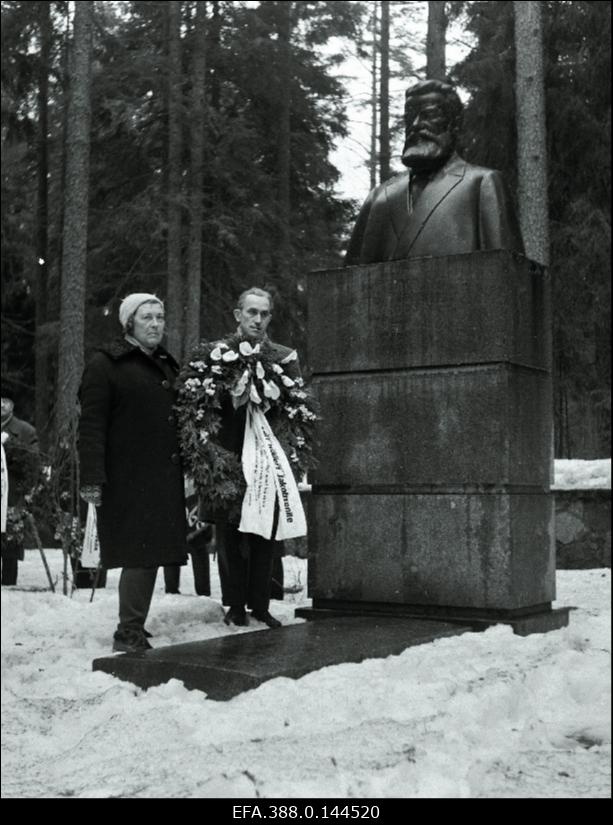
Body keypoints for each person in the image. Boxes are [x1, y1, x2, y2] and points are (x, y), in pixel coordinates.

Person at [78, 293, 187, 653]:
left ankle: (134, 624)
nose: (156, 324)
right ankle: (127, 633)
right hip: (126, 478)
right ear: (129, 324)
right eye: (147, 318)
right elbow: (91, 425)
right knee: (138, 554)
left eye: (160, 317)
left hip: (160, 478)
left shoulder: (166, 364)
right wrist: (92, 478)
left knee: (150, 552)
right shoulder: (105, 364)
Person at [345, 78, 524, 266]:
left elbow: (507, 271)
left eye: (428, 115)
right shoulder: (379, 198)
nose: (415, 124)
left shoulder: (482, 184)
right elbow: (350, 282)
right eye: (410, 117)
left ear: (454, 123)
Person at [214, 287, 302, 629]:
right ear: (238, 314)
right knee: (232, 534)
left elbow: (296, 407)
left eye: (264, 314)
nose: (257, 319)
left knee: (265, 534)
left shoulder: (283, 356)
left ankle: (261, 605)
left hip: (268, 458)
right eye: (251, 312)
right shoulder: (218, 355)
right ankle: (235, 605)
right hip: (231, 455)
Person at [1, 397, 39, 586]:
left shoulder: (25, 431)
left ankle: (8, 586)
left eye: (4, 401)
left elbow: (33, 464)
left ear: (12, 406)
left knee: (9, 544)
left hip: (12, 496)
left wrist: (10, 449)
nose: (1, 405)